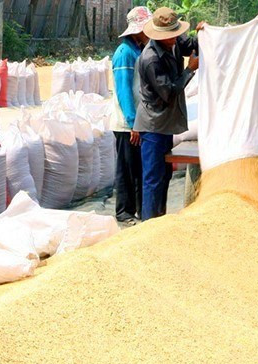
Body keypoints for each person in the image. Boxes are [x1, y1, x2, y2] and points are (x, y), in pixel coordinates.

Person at [134, 7, 204, 221]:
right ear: (159, 36)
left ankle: (160, 221)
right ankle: (149, 225)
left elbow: (189, 44)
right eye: (171, 36)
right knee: (153, 179)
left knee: (164, 176)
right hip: (153, 125)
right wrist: (190, 69)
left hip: (165, 123)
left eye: (176, 34)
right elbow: (169, 93)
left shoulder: (172, 42)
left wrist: (202, 34)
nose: (175, 39)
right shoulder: (151, 59)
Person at [112, 6, 152, 224]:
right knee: (126, 170)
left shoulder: (137, 49)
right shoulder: (124, 53)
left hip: (136, 121)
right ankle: (124, 212)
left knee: (137, 168)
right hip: (126, 124)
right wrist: (132, 123)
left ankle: (137, 210)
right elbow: (124, 91)